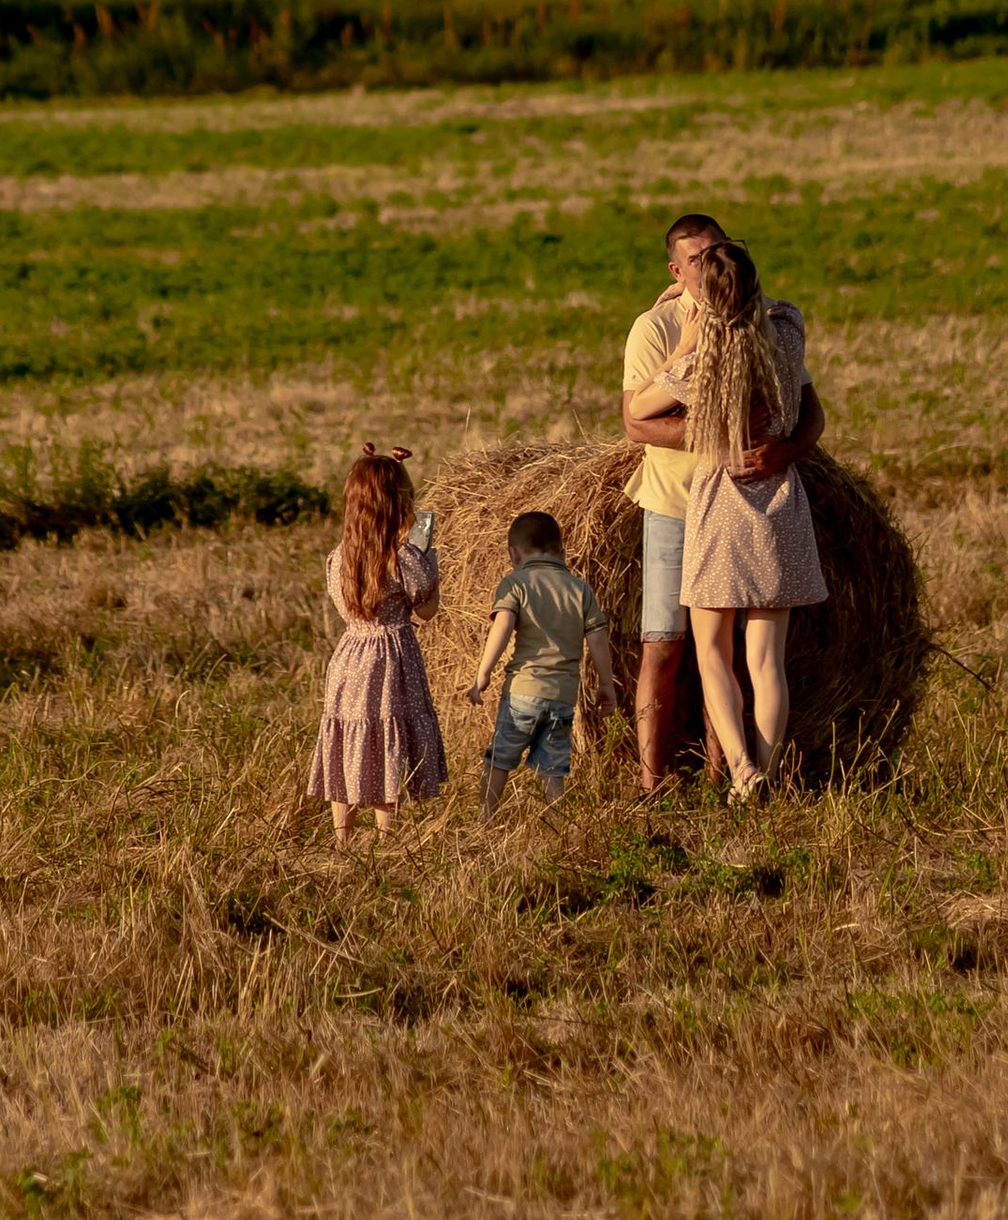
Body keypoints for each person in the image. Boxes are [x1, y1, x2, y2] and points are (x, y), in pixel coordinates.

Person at [622, 211, 825, 798]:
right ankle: (762, 772)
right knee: (767, 661)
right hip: (782, 507)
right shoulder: (786, 331)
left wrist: (693, 330)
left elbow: (638, 413)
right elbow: (779, 310)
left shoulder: (701, 359)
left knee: (711, 649)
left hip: (721, 509)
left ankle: (740, 770)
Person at [307, 442, 447, 841]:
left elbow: (346, 606)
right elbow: (427, 610)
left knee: (349, 735)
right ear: (399, 504)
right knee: (388, 737)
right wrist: (429, 559)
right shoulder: (404, 558)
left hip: (351, 655)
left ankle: (342, 837)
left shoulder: (339, 557)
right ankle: (386, 839)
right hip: (391, 658)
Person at [468, 508, 616, 812]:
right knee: (553, 768)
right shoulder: (580, 589)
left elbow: (503, 625)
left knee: (499, 760)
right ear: (562, 551)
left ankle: (485, 819)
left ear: (513, 553)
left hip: (523, 692)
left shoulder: (516, 583)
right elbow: (598, 639)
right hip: (563, 696)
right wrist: (606, 684)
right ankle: (558, 827)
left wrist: (483, 673)